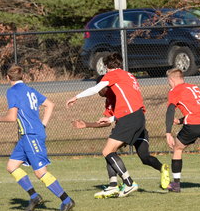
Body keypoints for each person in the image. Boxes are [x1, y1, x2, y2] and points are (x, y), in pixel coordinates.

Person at [66, 53, 170, 199]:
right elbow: (125, 103)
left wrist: (76, 97)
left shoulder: (113, 75)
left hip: (129, 117)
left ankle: (128, 183)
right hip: (136, 117)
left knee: (108, 151)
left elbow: (96, 89)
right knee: (110, 150)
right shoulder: (128, 76)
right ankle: (113, 185)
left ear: (107, 67)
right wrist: (94, 123)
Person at [0, 65, 75, 211]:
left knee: (40, 172)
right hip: (27, 136)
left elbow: (12, 117)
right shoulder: (30, 90)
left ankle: (67, 200)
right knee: (11, 166)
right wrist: (43, 125)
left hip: (31, 136)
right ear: (22, 76)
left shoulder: (12, 91)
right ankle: (34, 196)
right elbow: (50, 105)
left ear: (7, 78)